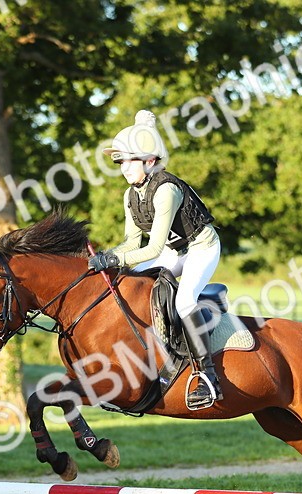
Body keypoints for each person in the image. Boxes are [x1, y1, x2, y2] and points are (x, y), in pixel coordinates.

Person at [89, 110, 223, 409]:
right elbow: (132, 242)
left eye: (130, 160)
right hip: (175, 251)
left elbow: (152, 249)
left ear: (150, 161)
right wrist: (105, 257)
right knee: (128, 281)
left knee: (184, 301)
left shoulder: (166, 190)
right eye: (119, 161)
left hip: (201, 248)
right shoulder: (130, 195)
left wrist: (113, 258)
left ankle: (207, 377)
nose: (124, 168)